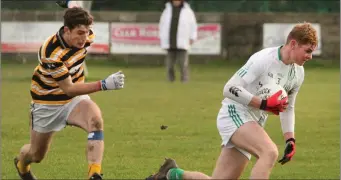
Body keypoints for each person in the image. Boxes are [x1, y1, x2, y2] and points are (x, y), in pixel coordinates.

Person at [146, 22, 318, 180]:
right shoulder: (264, 59)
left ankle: (170, 174)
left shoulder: (298, 73)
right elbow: (229, 88)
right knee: (269, 152)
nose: (310, 56)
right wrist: (262, 103)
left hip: (254, 122)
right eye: (308, 51)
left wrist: (290, 139)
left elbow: (288, 107)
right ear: (293, 44)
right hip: (235, 113)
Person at [13, 7, 125, 180]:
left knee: (95, 120)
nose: (84, 38)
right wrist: (103, 84)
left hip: (74, 99)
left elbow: (72, 93)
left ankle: (94, 174)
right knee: (36, 155)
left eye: (87, 32)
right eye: (80, 33)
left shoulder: (86, 36)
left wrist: (69, 6)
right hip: (47, 103)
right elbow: (68, 88)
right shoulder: (51, 53)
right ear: (66, 30)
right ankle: (22, 164)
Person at [159, 0, 197, 82]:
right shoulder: (167, 10)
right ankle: (170, 79)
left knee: (183, 64)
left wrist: (192, 37)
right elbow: (162, 25)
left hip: (182, 41)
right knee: (169, 64)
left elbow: (193, 25)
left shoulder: (188, 11)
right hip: (170, 41)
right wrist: (162, 37)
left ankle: (184, 80)